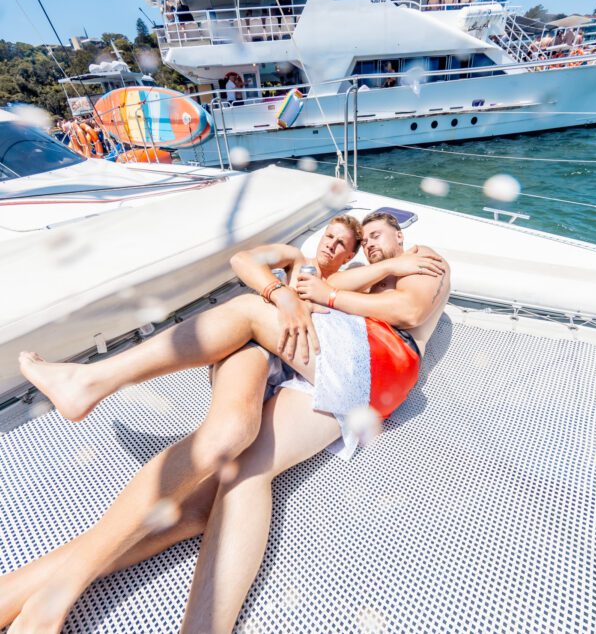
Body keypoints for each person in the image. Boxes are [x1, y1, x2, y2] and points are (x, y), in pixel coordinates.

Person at [3, 213, 450, 633]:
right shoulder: (307, 266)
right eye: (350, 237)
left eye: (367, 239)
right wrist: (283, 293)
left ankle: (89, 382)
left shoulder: (417, 262)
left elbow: (408, 311)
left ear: (400, 239)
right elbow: (247, 262)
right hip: (288, 364)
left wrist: (326, 292)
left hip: (343, 365)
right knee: (230, 471)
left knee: (244, 339)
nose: (360, 245)